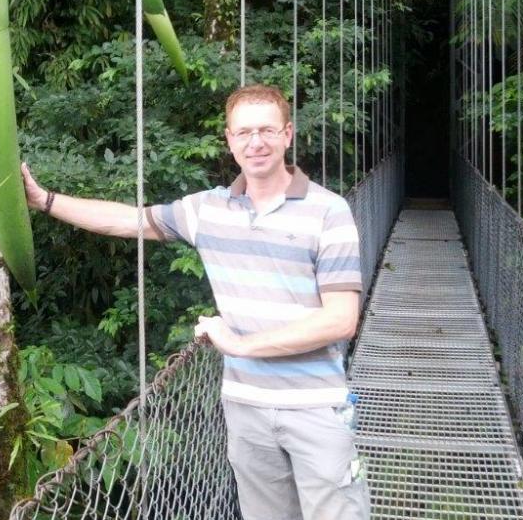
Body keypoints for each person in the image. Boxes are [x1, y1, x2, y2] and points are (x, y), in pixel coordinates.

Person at [20, 84, 370, 520]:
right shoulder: (208, 211)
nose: (255, 142)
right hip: (246, 409)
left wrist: (240, 345)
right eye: (243, 133)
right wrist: (45, 200)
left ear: (287, 134)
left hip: (316, 406)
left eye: (266, 130)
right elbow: (125, 221)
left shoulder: (328, 211)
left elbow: (341, 320)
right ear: (228, 139)